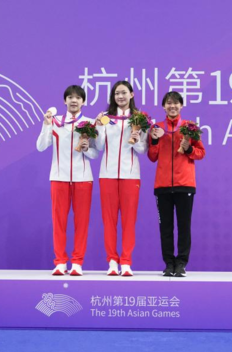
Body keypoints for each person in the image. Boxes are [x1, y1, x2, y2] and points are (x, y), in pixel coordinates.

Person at [36, 85, 98, 276]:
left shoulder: (89, 123)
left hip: (83, 179)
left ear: (83, 101)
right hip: (59, 178)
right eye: (70, 97)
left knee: (81, 223)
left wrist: (87, 147)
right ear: (64, 101)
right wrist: (46, 125)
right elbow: (40, 146)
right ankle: (60, 262)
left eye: (78, 98)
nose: (74, 100)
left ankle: (77, 263)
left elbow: (95, 154)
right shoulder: (54, 122)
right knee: (59, 222)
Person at [148, 91, 205, 277]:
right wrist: (155, 139)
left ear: (181, 106)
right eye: (168, 103)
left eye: (176, 103)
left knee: (184, 226)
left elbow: (201, 153)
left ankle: (181, 264)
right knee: (165, 228)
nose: (172, 106)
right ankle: (168, 264)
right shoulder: (157, 127)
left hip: (185, 184)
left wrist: (189, 148)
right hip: (162, 186)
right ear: (164, 107)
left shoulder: (189, 127)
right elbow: (152, 156)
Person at [95, 81, 147, 276]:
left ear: (132, 95)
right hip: (107, 174)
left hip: (130, 174)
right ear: (113, 96)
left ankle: (126, 261)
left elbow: (143, 149)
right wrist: (98, 128)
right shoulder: (106, 118)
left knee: (128, 220)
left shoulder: (140, 118)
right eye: (117, 93)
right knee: (109, 221)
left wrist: (136, 136)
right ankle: (112, 262)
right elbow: (99, 147)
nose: (120, 97)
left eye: (124, 93)